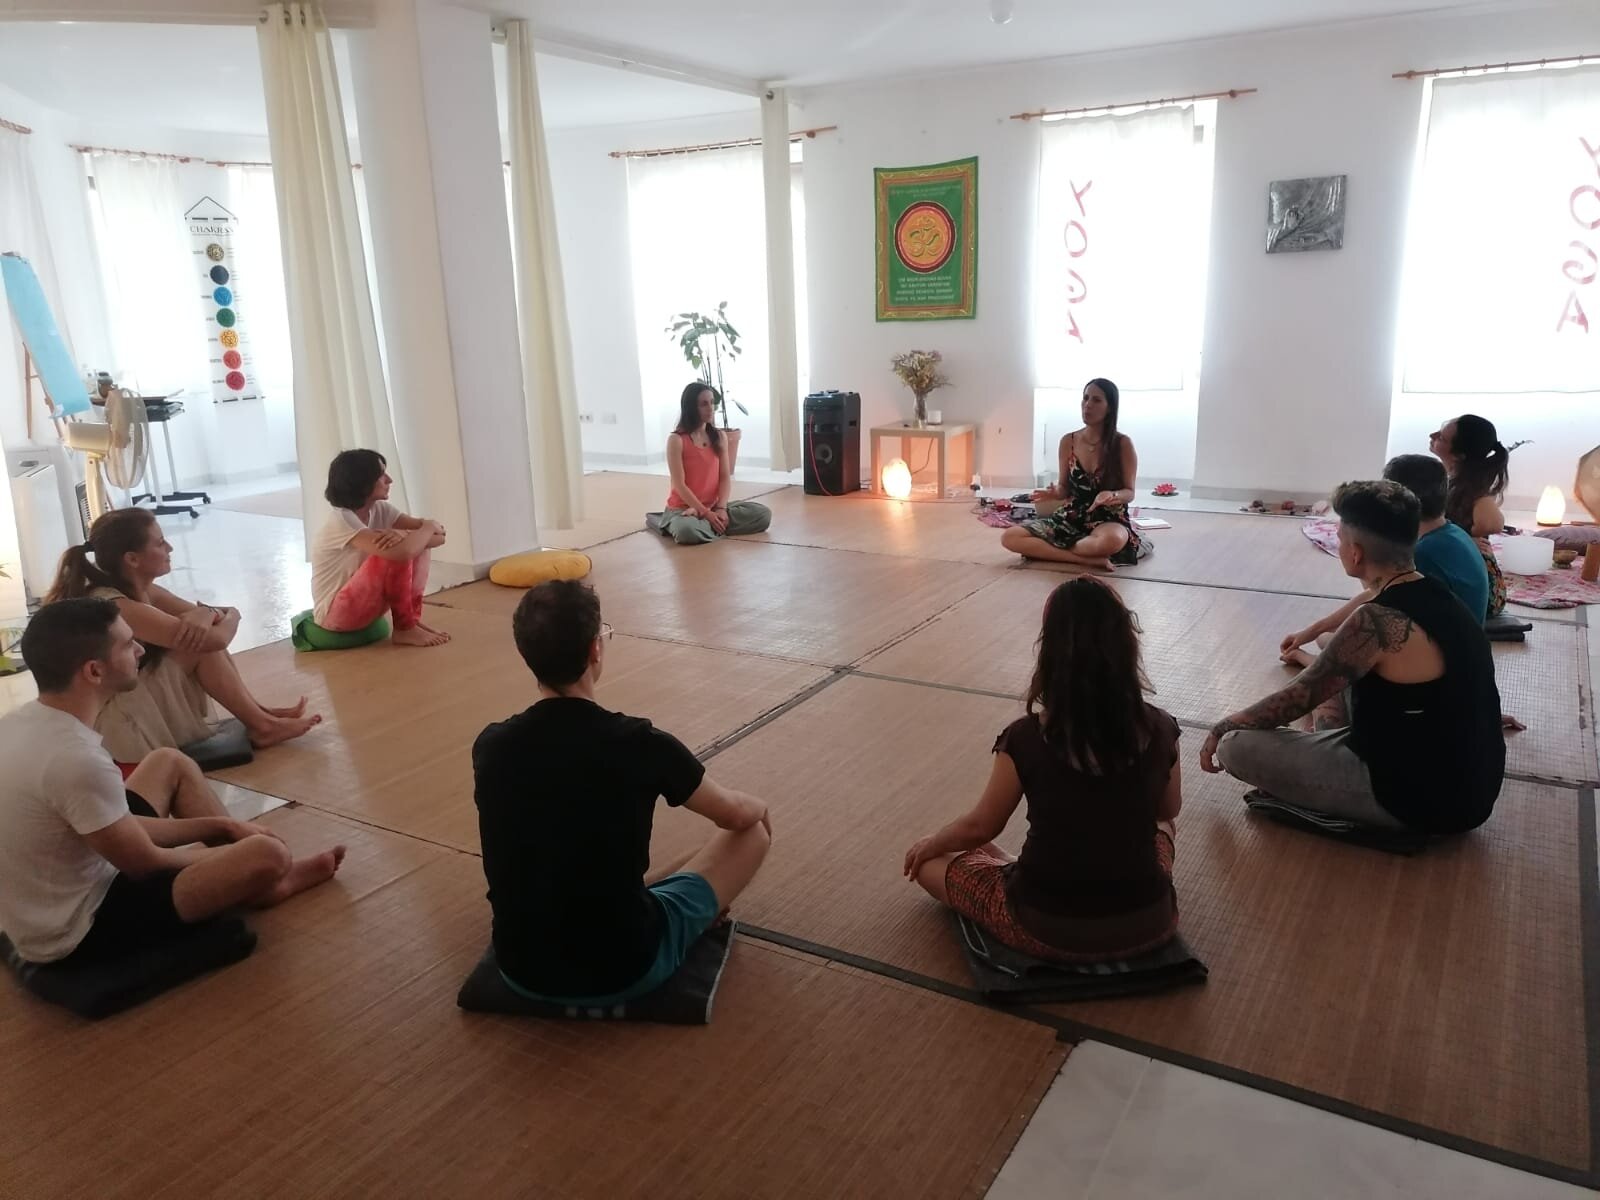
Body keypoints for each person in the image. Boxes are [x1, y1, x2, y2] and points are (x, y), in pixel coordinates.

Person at [0, 598, 345, 966]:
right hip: (80, 927)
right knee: (268, 854)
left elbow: (114, 828)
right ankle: (265, 884)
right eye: (127, 645)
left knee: (168, 762)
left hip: (63, 884)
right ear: (95, 671)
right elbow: (145, 863)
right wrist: (236, 852)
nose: (140, 649)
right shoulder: (75, 759)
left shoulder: (18, 723)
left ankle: (252, 879)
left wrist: (223, 825)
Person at [473, 579, 772, 1003]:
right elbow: (736, 816)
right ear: (595, 649)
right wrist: (762, 808)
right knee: (752, 832)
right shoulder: (640, 743)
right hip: (627, 967)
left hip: (520, 966)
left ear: (527, 656)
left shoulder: (491, 744)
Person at [1202, 480, 1505, 835]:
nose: (1338, 544)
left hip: (1418, 801)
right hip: (1473, 785)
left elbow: (1294, 700)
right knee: (1334, 661)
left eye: (1339, 537)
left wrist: (1221, 727)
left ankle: (1333, 798)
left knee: (1236, 745)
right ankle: (1327, 743)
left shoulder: (1376, 621)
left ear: (1356, 553)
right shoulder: (1438, 593)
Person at [903, 578, 1182, 961]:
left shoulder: (1026, 737)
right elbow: (1168, 810)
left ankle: (1012, 870)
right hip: (1151, 920)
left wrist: (933, 843)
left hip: (1044, 924)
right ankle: (1013, 867)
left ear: (1051, 653)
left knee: (931, 860)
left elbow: (981, 826)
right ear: (1126, 645)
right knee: (1163, 828)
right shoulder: (1162, 727)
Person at [45, 508, 319, 761]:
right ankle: (262, 725)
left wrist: (209, 613)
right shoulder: (118, 605)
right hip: (116, 720)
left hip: (128, 696)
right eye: (160, 543)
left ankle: (257, 714)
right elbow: (216, 637)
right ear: (132, 559)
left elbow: (210, 620)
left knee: (198, 639)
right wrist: (226, 614)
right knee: (200, 646)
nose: (170, 548)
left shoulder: (144, 589)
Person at [1001, 378, 1147, 570]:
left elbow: (1129, 492)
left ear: (1110, 407)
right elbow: (1064, 488)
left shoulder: (1122, 444)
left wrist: (1112, 495)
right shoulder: (1068, 441)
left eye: (1096, 400)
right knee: (1010, 537)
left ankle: (1054, 550)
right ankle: (1084, 559)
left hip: (1108, 518)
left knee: (1111, 541)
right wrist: (1055, 492)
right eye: (1085, 398)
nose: (1088, 405)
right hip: (1071, 516)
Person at [311, 449, 452, 648]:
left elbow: (439, 537)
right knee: (398, 551)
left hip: (364, 606)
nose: (389, 480)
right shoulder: (342, 520)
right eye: (381, 475)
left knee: (417, 545)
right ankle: (405, 628)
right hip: (334, 615)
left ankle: (410, 620)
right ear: (362, 482)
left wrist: (408, 533)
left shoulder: (380, 509)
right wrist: (426, 528)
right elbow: (404, 551)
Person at [649, 382, 772, 546]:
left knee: (763, 514)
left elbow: (724, 477)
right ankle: (708, 525)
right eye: (704, 404)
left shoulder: (719, 437)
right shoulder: (676, 440)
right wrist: (705, 513)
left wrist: (721, 509)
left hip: (713, 507)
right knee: (686, 531)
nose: (710, 408)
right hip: (683, 510)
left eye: (712, 402)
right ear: (691, 407)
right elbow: (679, 485)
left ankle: (710, 525)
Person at [1430, 414, 1512, 618]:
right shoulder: (1451, 480)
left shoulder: (1472, 489)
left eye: (1441, 437)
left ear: (1459, 455)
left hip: (1479, 593)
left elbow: (1494, 523)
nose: (1432, 435)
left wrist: (1463, 541)